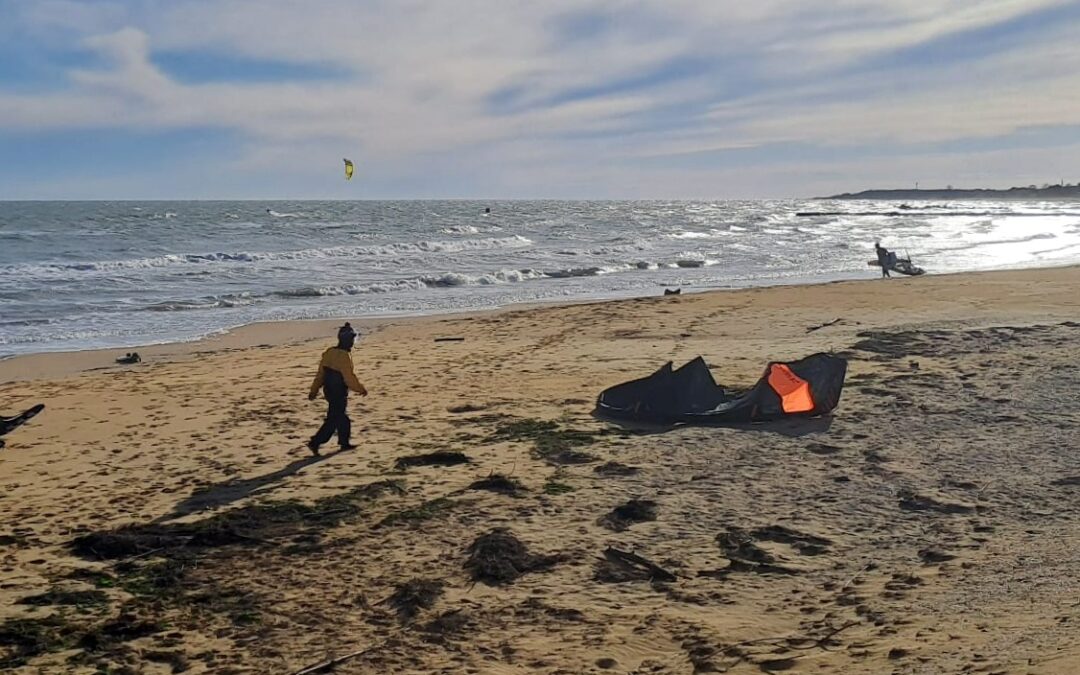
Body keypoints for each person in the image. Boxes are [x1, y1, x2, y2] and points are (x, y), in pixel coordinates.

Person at [307, 322, 368, 455]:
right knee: (335, 419)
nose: (352, 343)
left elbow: (320, 375)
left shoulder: (329, 352)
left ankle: (344, 443)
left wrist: (314, 390)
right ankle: (315, 442)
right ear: (346, 341)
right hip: (338, 392)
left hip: (328, 390)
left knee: (341, 418)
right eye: (351, 340)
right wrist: (360, 389)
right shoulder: (344, 356)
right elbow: (349, 377)